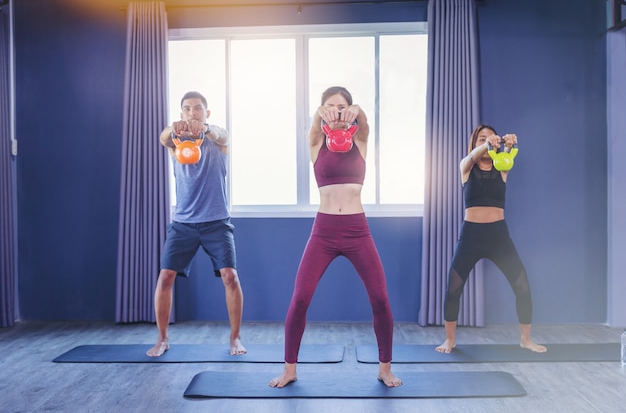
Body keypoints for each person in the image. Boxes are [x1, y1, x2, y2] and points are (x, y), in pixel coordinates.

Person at [269, 86, 402, 388]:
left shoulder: (360, 140)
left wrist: (358, 112)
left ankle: (385, 368)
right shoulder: (317, 142)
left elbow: (365, 124)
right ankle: (290, 369)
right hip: (324, 231)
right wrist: (321, 113)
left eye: (342, 108)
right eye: (330, 107)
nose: (336, 113)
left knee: (380, 298)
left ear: (350, 111)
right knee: (301, 297)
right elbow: (316, 125)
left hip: (357, 229)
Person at [146, 91, 246, 357]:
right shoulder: (176, 143)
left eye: (198, 108)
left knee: (230, 277)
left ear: (206, 112)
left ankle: (235, 338)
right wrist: (173, 128)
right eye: (187, 109)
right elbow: (163, 137)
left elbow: (223, 135)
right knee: (165, 277)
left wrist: (206, 129)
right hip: (183, 224)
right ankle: (162, 339)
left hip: (216, 223)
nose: (193, 112)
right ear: (182, 114)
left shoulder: (218, 142)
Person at [435, 124, 546, 354]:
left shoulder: (501, 167)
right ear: (474, 143)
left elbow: (509, 152)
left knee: (522, 285)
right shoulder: (466, 166)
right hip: (471, 236)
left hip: (498, 236)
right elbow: (472, 157)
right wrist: (489, 143)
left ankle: (526, 339)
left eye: (489, 138)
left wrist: (509, 142)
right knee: (453, 287)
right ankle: (450, 340)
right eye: (481, 139)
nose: (485, 142)